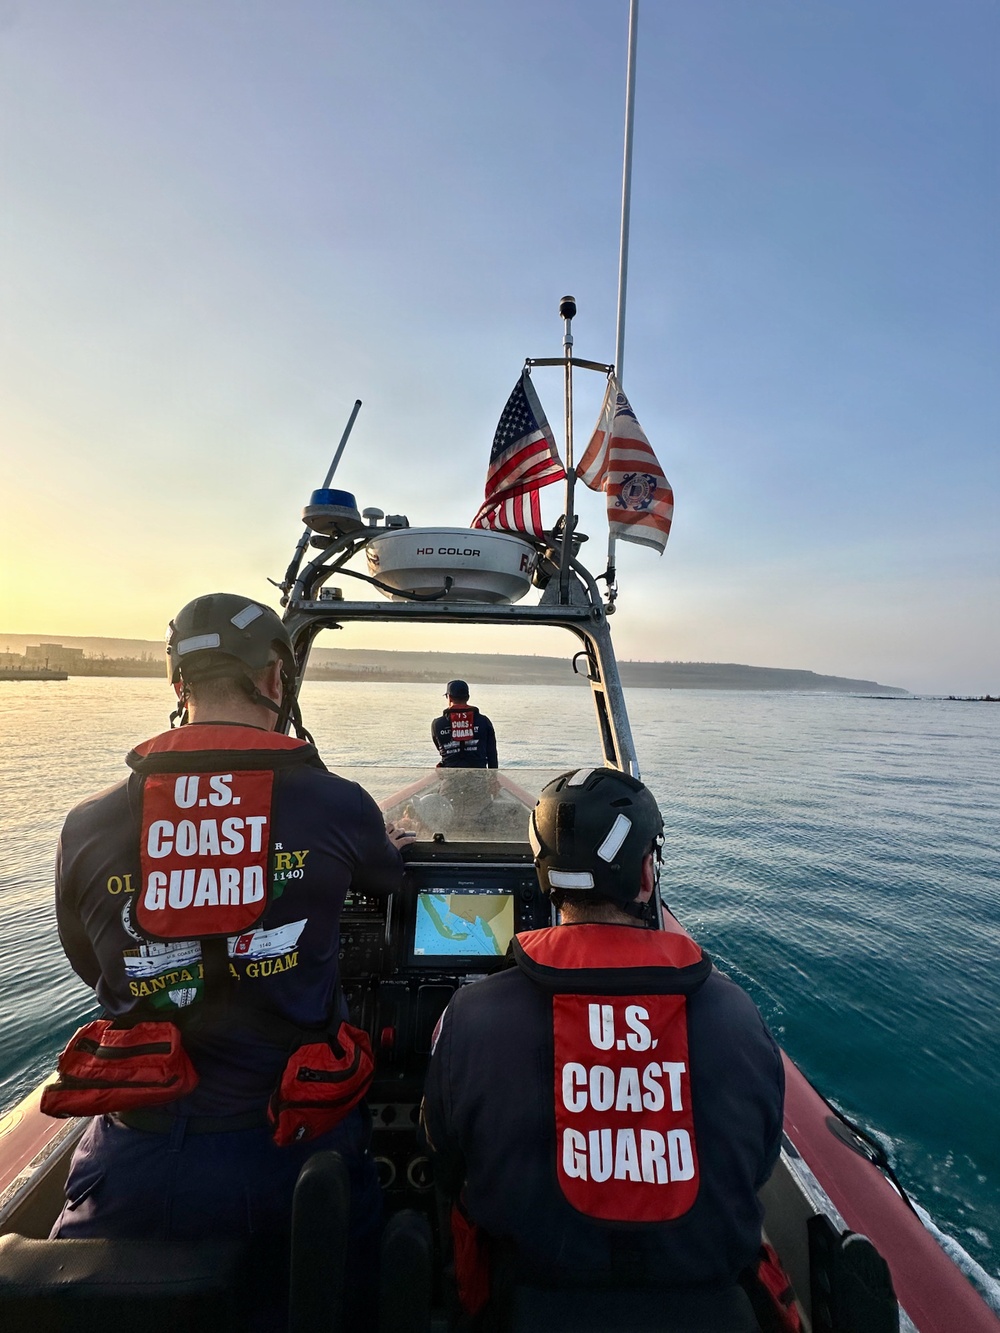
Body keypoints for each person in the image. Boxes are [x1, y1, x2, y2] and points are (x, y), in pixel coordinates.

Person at [48, 593, 413, 1329]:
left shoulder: (86, 824)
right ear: (277, 680)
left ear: (178, 684)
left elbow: (91, 964)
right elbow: (388, 884)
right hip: (289, 1152)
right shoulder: (339, 805)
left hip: (133, 1159)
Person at [421, 767, 785, 1331]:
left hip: (527, 1305)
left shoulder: (471, 1018)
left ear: (544, 877)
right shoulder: (736, 1018)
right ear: (646, 873)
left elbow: (445, 1156)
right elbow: (757, 1166)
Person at [431, 680, 498, 769]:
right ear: (468, 697)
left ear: (449, 697)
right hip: (479, 778)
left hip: (449, 778)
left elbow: (441, 749)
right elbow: (492, 755)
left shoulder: (437, 724)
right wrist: (492, 778)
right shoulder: (483, 721)